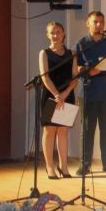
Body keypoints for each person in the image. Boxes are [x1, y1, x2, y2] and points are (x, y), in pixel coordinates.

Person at [74, 11, 106, 175]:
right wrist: (89, 71)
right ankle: (85, 165)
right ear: (88, 23)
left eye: (102, 22)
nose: (99, 25)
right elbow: (76, 68)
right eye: (95, 22)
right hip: (88, 91)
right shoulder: (81, 44)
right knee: (87, 130)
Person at [38, 21, 77, 179]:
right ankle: (49, 167)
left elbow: (75, 77)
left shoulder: (72, 54)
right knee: (49, 131)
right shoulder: (44, 53)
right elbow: (45, 77)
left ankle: (63, 166)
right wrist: (56, 95)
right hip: (50, 96)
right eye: (52, 32)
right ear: (48, 35)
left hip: (67, 95)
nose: (55, 35)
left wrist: (65, 94)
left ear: (63, 34)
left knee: (63, 131)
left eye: (58, 32)